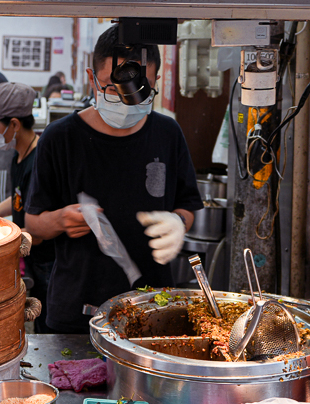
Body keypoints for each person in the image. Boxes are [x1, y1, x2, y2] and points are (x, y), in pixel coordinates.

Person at [25, 24, 203, 333]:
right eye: (111, 86)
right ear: (91, 78)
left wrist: (177, 222)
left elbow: (186, 205)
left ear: (156, 80)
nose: (124, 99)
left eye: (138, 88)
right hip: (77, 312)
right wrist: (61, 220)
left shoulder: (168, 133)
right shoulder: (60, 138)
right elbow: (32, 223)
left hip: (154, 309)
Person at [0, 82, 54, 332]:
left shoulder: (39, 161)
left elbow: (39, 228)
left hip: (48, 263)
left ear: (14, 124)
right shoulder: (19, 155)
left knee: (46, 325)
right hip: (34, 257)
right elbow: (18, 200)